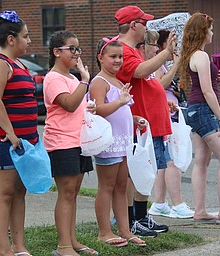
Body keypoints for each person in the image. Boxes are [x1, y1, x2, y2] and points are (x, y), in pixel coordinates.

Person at [114, 5, 177, 237]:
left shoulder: (132, 50)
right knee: (134, 174)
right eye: (144, 22)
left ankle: (140, 216)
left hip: (149, 122)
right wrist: (166, 52)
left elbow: (148, 82)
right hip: (137, 122)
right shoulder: (123, 49)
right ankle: (130, 219)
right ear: (134, 25)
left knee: (144, 173)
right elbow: (139, 72)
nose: (147, 26)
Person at [178, 12, 220, 226]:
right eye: (210, 29)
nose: (213, 32)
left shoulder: (193, 55)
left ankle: (200, 210)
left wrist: (217, 75)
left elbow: (202, 83)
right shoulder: (201, 55)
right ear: (203, 31)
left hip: (194, 109)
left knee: (202, 161)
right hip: (204, 110)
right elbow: (207, 92)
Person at [0, 10, 37, 256]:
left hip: (22, 142)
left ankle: (19, 246)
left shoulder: (19, 63)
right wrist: (12, 135)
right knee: (4, 192)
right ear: (11, 39)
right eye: (26, 36)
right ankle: (3, 249)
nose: (30, 41)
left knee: (19, 192)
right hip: (2, 139)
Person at [42, 30, 97, 256]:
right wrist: (85, 81)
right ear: (56, 52)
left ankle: (72, 240)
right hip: (61, 142)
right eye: (71, 49)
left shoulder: (72, 78)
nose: (76, 53)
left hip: (79, 141)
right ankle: (63, 246)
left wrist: (89, 106)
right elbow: (69, 104)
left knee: (73, 192)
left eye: (78, 49)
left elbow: (78, 106)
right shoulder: (53, 78)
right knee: (65, 193)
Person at [89, 36, 147, 247]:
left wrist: (135, 119)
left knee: (122, 187)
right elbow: (98, 110)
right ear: (100, 58)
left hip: (123, 143)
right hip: (108, 143)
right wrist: (119, 101)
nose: (118, 61)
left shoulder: (119, 82)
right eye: (112, 56)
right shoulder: (99, 82)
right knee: (107, 186)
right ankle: (104, 231)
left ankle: (125, 229)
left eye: (120, 57)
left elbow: (121, 111)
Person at [148, 29, 194, 219]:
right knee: (171, 161)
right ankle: (178, 203)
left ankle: (159, 202)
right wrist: (175, 64)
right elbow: (159, 84)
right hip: (163, 115)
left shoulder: (163, 64)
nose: (176, 45)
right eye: (172, 41)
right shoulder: (159, 63)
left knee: (164, 161)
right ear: (162, 45)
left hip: (169, 111)